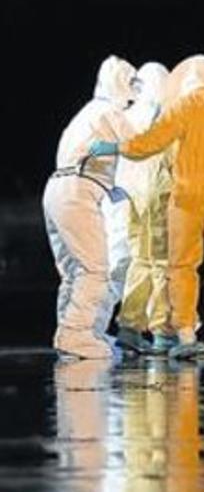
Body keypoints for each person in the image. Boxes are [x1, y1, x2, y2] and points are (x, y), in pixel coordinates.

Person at [90, 55, 204, 360]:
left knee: (182, 265)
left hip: (187, 193)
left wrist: (115, 147)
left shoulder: (185, 107)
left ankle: (185, 335)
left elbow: (150, 143)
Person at [45, 56, 139, 359]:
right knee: (96, 268)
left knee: (74, 271)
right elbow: (142, 145)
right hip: (78, 190)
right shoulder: (109, 113)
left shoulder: (87, 111)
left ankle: (70, 332)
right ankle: (77, 334)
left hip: (57, 189)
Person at [112, 62, 174, 355]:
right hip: (157, 192)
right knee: (162, 261)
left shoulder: (127, 115)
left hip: (132, 196)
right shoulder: (161, 113)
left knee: (140, 259)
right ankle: (163, 330)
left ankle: (130, 326)